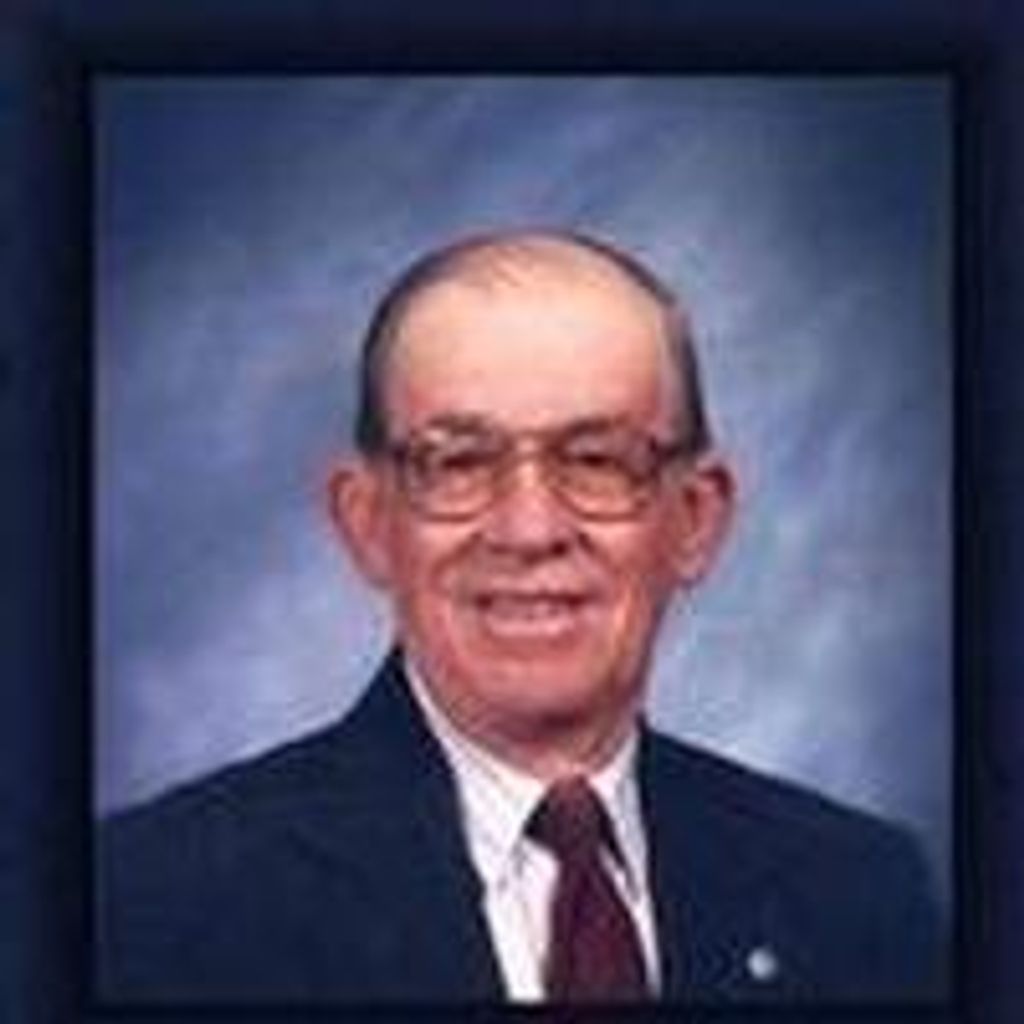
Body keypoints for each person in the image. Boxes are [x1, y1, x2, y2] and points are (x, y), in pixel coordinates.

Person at [96, 229, 945, 1006]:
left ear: (695, 519)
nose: (529, 529)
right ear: (368, 523)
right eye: (458, 462)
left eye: (598, 460)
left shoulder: (857, 891)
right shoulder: (154, 903)